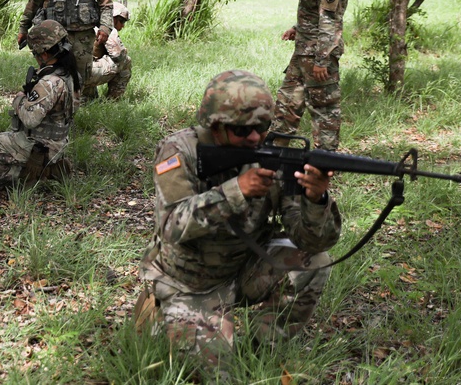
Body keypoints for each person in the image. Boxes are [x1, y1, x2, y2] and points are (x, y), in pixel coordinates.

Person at [138, 70, 341, 360]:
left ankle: (263, 353)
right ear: (216, 125)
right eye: (242, 130)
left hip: (245, 271)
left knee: (314, 263)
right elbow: (171, 226)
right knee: (214, 375)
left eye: (263, 125)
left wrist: (316, 199)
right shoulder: (180, 151)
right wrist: (236, 191)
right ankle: (156, 311)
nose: (255, 136)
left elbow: (312, 241)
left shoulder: (272, 154)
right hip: (190, 282)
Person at [0, 20, 77, 190]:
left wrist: (19, 100)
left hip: (38, 146)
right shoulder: (70, 75)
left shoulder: (49, 83)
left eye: (35, 53)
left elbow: (30, 119)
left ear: (44, 54)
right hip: (57, 143)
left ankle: (24, 176)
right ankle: (37, 169)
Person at [272, 0, 348, 151]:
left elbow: (330, 20)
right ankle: (274, 153)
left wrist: (322, 60)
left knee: (324, 111)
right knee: (287, 103)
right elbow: (315, 10)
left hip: (317, 56)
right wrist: (298, 26)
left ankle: (324, 164)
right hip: (302, 53)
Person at [85, 2, 132, 100]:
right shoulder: (105, 27)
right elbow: (118, 55)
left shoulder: (88, 23)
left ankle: (85, 98)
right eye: (121, 21)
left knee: (90, 100)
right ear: (113, 18)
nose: (122, 26)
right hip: (85, 73)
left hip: (70, 73)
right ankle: (114, 99)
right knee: (126, 61)